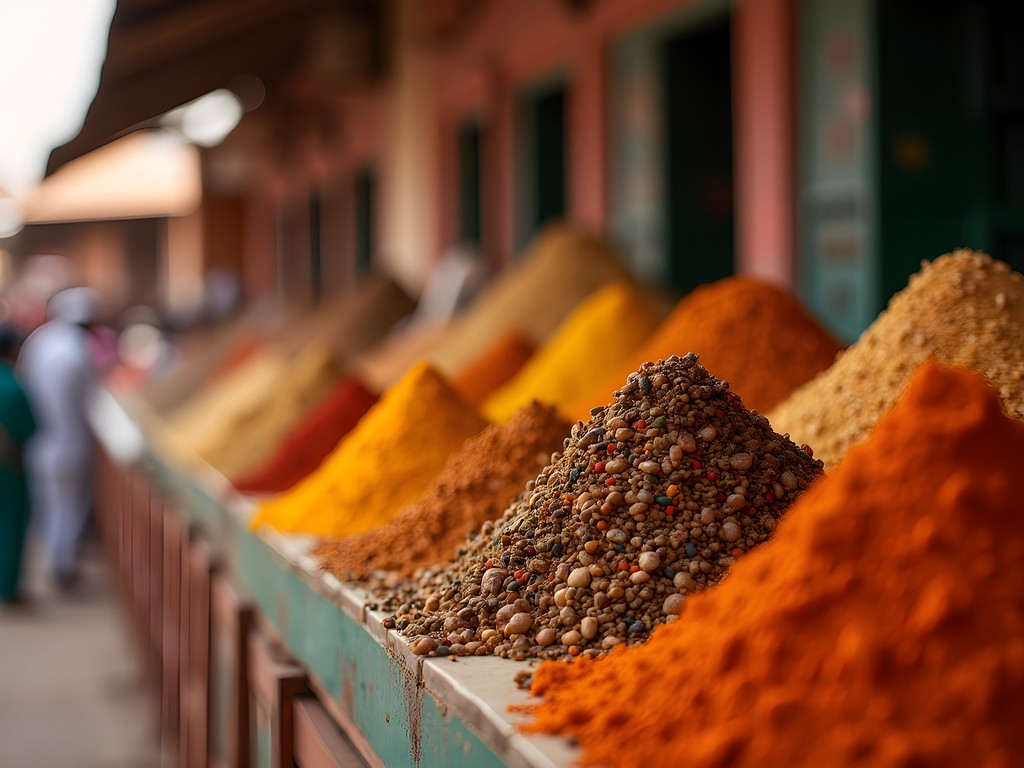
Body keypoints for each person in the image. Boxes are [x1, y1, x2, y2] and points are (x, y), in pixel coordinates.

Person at [17, 287, 100, 591]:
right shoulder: (77, 350)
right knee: (69, 507)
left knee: (50, 506)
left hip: (40, 440)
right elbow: (90, 402)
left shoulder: (40, 340)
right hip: (71, 442)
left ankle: (57, 560)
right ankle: (61, 565)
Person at [0, 328, 36, 604]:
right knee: (10, 527)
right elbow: (31, 426)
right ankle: (7, 588)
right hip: (9, 467)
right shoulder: (13, 386)